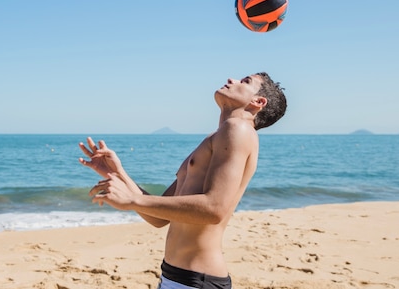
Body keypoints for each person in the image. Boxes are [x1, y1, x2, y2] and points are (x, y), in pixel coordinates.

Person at [78, 72, 287, 289]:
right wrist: (117, 173)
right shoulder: (215, 138)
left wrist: (131, 200)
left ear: (258, 102)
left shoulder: (238, 129)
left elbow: (214, 209)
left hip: (197, 281)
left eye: (245, 82)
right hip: (173, 276)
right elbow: (159, 219)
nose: (231, 80)